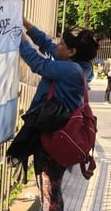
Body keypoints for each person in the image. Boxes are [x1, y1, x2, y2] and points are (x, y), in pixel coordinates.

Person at [18, 17, 100, 210]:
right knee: (52, 186)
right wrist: (26, 24)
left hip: (53, 136)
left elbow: (38, 63)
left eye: (62, 43)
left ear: (72, 52)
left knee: (50, 190)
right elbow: (48, 46)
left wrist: (17, 35)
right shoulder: (82, 67)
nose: (57, 44)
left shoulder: (71, 70)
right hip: (60, 133)